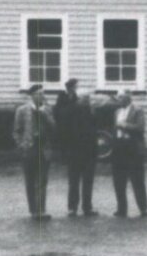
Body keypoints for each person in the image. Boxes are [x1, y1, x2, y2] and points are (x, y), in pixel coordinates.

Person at [55, 79, 99, 218]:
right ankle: (74, 207)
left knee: (86, 181)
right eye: (86, 98)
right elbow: (64, 132)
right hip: (75, 151)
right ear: (79, 98)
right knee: (74, 181)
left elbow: (95, 131)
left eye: (88, 98)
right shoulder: (70, 111)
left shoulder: (90, 111)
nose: (88, 100)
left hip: (88, 151)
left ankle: (85, 207)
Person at [12, 84, 54, 219]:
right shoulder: (22, 110)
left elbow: (54, 127)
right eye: (39, 93)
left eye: (43, 93)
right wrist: (21, 145)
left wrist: (44, 114)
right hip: (29, 148)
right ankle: (33, 210)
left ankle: (41, 210)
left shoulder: (47, 109)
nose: (42, 96)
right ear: (33, 95)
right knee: (30, 180)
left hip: (43, 148)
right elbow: (17, 130)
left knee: (42, 180)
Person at [110, 89, 147, 217]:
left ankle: (143, 208)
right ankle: (121, 208)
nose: (118, 100)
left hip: (133, 147)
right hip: (119, 147)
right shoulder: (117, 112)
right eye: (118, 98)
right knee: (119, 180)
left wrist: (124, 125)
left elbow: (140, 127)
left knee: (137, 179)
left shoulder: (137, 110)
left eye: (120, 98)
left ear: (127, 98)